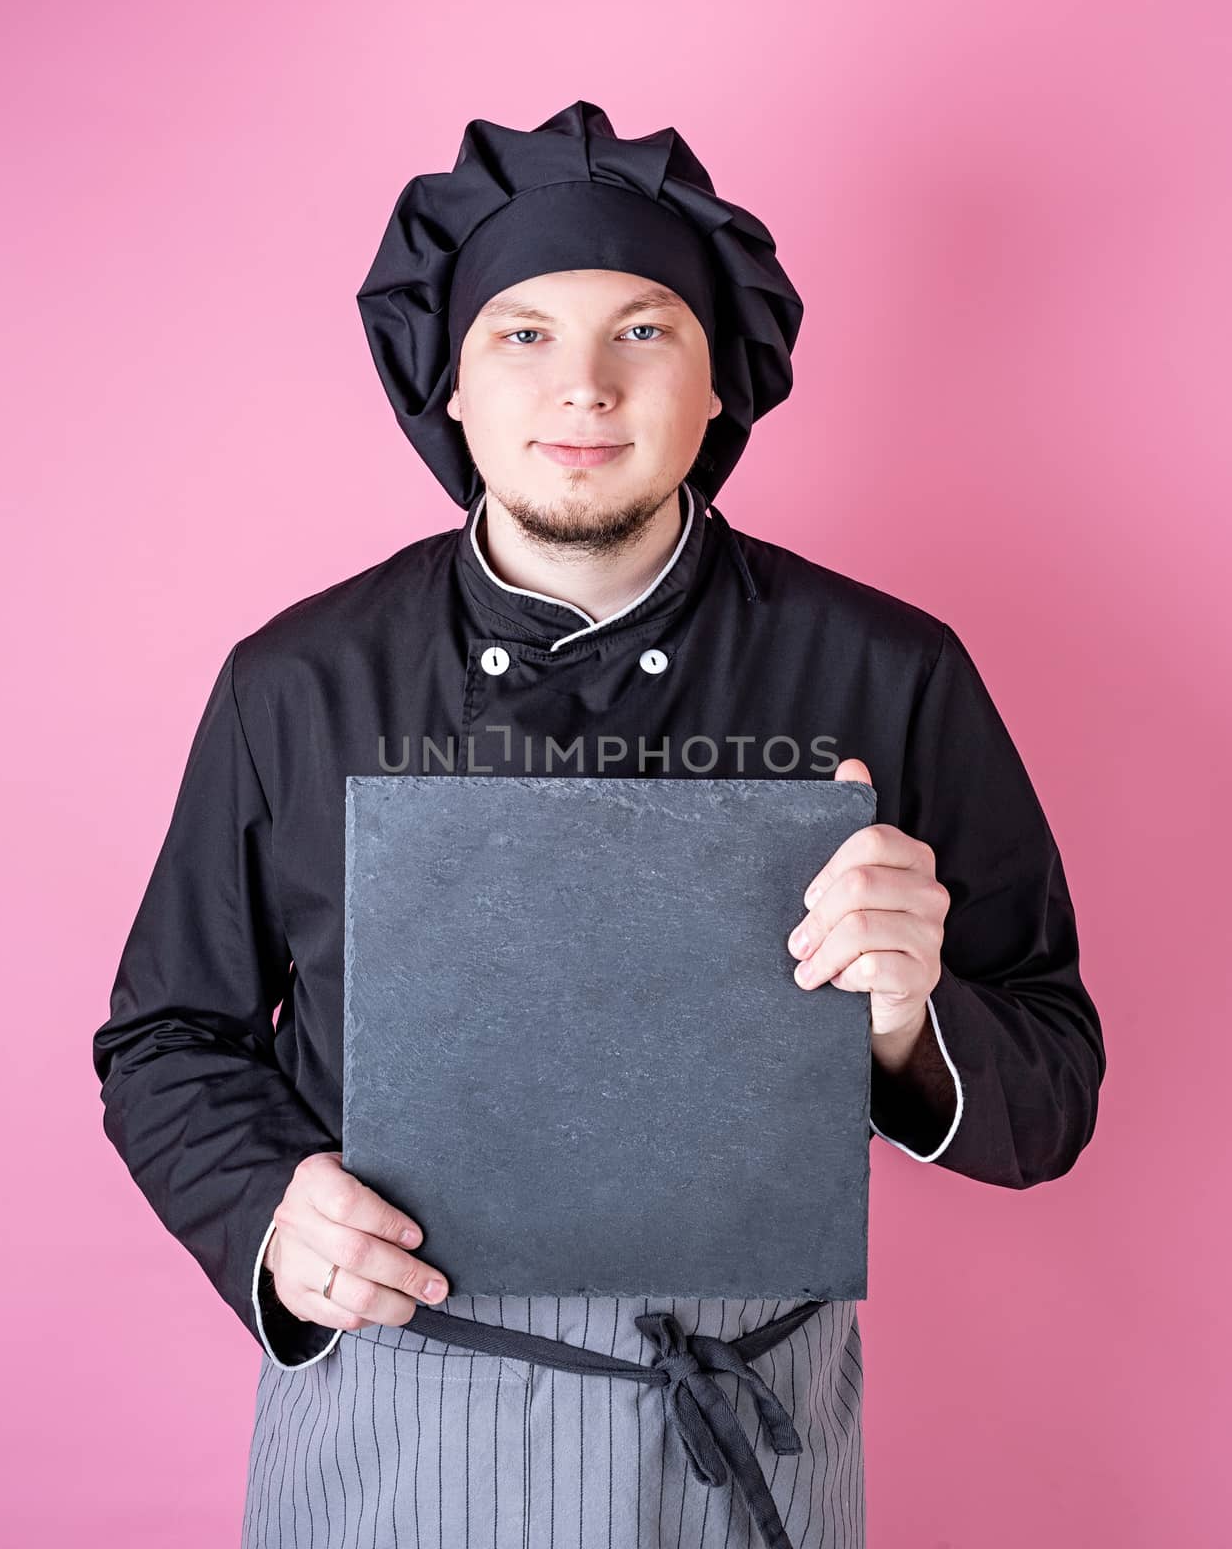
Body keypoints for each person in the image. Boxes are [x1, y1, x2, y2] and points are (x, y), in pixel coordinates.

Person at [92, 100, 1106, 1549]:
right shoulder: (294, 681)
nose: (583, 389)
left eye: (644, 333)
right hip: (400, 1418)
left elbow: (1051, 1087)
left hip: (749, 1436)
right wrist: (270, 1213)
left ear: (717, 387)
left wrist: (902, 1019)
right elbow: (165, 1037)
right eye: (520, 333)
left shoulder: (889, 671)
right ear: (446, 379)